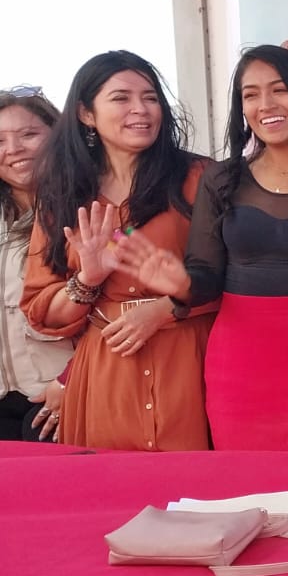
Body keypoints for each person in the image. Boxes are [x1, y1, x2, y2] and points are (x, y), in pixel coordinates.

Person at [115, 46, 288, 451]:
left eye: (279, 90)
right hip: (237, 359)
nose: (265, 105)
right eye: (250, 95)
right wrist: (181, 282)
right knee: (243, 486)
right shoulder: (222, 178)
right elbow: (203, 276)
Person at [22, 51, 213, 451]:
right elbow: (40, 308)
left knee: (197, 495)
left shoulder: (200, 178)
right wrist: (88, 278)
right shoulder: (62, 194)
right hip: (106, 367)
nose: (140, 110)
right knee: (116, 495)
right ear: (86, 114)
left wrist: (166, 308)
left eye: (150, 97)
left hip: (191, 359)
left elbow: (237, 273)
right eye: (121, 98)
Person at [0, 88, 71, 442]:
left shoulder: (82, 207)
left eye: (28, 134)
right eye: (0, 140)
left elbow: (111, 306)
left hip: (54, 395)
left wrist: (69, 380)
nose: (13, 149)